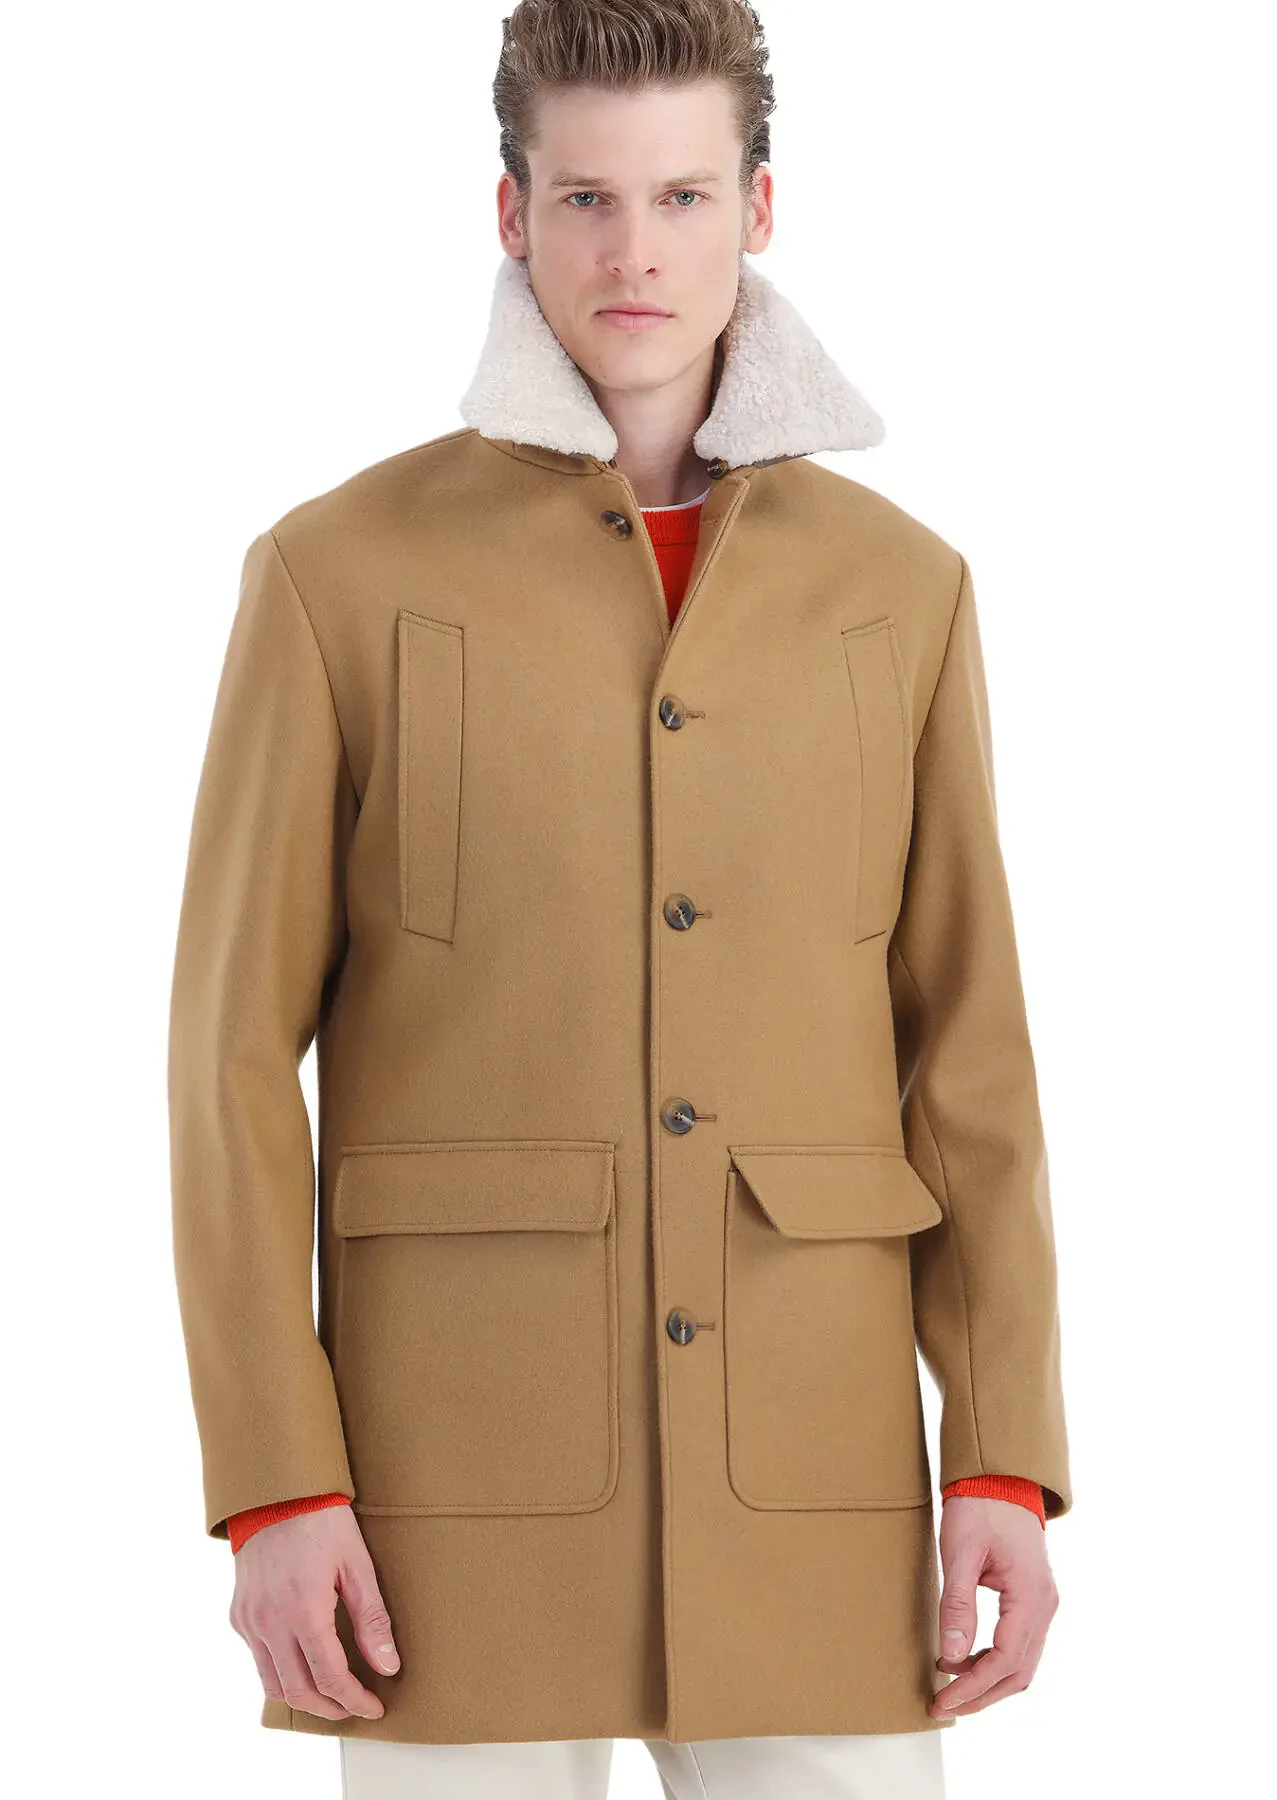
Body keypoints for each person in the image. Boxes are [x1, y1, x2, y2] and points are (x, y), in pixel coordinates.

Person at [167, 3, 1071, 1795]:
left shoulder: (903, 594)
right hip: (450, 1481)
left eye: (680, 196)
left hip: (815, 1465)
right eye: (585, 199)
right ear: (513, 214)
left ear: (759, 206)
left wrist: (1002, 1451)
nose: (634, 252)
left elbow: (968, 1056)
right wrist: (275, 1480)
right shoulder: (336, 575)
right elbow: (227, 1066)